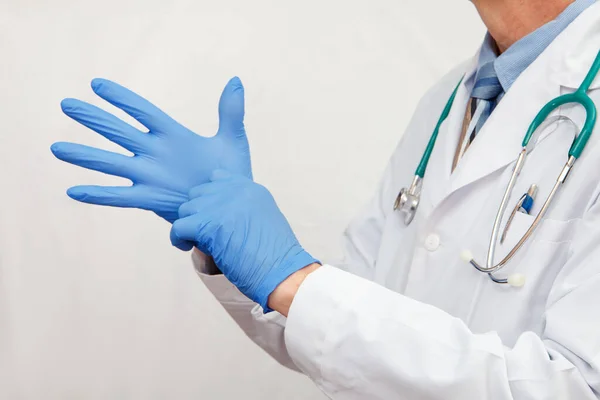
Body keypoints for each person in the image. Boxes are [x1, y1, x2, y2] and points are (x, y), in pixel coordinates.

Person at [51, 0, 600, 398]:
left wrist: (294, 280)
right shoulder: (452, 99)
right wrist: (243, 260)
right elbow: (349, 325)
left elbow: (575, 386)